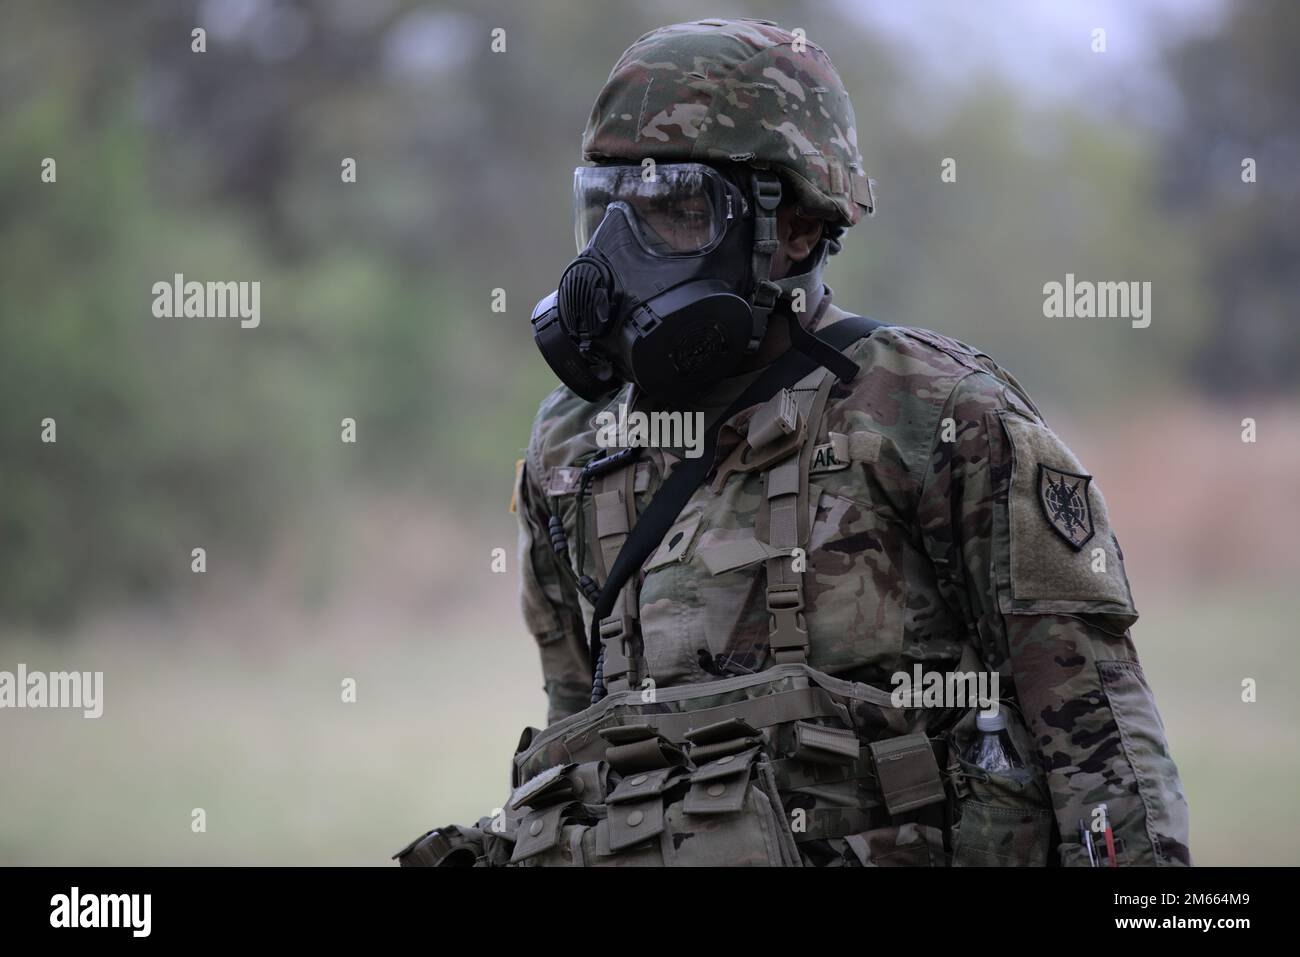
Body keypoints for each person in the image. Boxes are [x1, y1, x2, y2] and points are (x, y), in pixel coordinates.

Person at [398, 17, 1190, 868]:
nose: (616, 255)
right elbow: (579, 747)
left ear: (798, 229)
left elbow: (1103, 755)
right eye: (608, 205)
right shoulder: (574, 446)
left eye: (675, 208)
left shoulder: (939, 415)